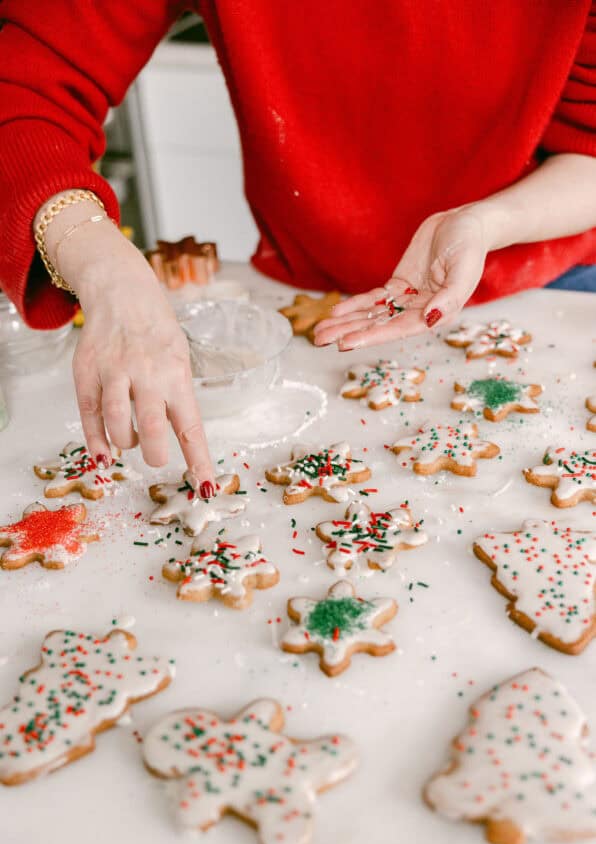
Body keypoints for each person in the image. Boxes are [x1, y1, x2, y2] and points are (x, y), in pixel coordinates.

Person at [1, 2, 595, 495]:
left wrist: (488, 222)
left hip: (554, 280)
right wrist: (104, 268)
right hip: (309, 300)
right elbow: (24, 85)